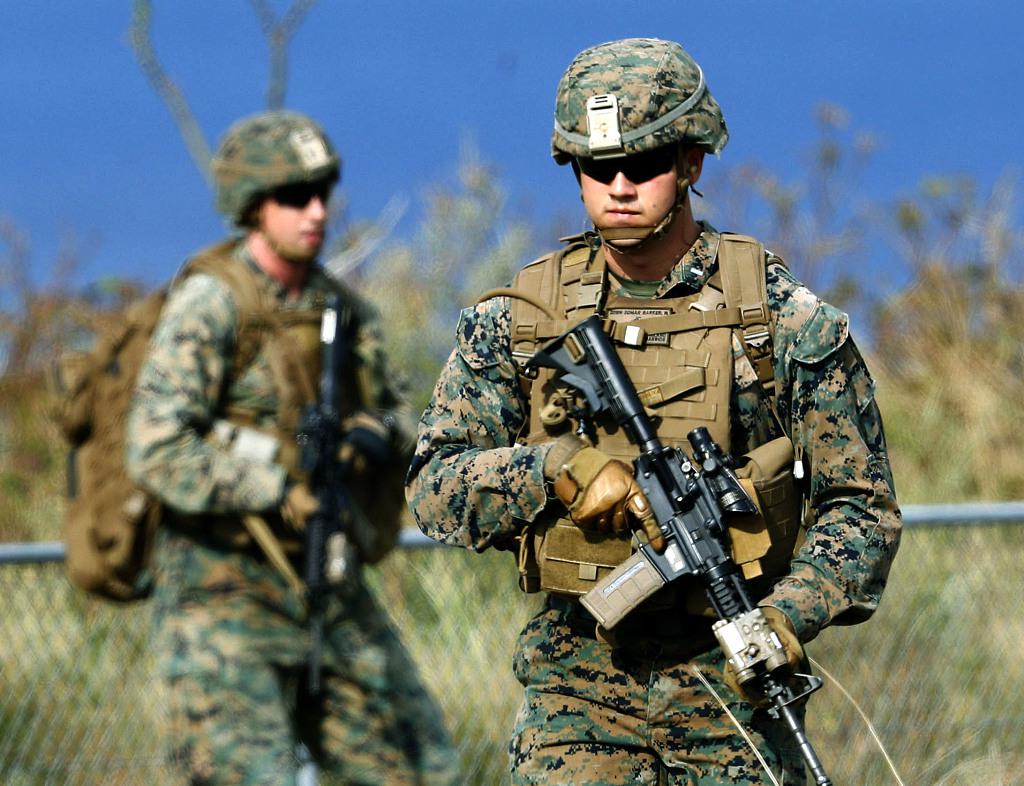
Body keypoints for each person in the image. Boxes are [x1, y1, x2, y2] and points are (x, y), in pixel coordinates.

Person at [406, 38, 901, 785]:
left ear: (691, 162)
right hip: (576, 695)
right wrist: (556, 470)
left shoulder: (780, 322)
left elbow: (862, 509)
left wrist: (785, 619)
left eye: (643, 166)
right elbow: (433, 486)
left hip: (732, 691)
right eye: (597, 168)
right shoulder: (522, 320)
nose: (619, 187)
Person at [126, 110, 461, 785]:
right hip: (224, 591)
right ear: (253, 204)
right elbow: (156, 445)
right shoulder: (212, 304)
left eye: (322, 193)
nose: (316, 211)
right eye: (294, 196)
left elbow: (410, 417)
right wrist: (275, 488)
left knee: (422, 766)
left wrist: (378, 433)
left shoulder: (342, 310)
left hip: (328, 583)